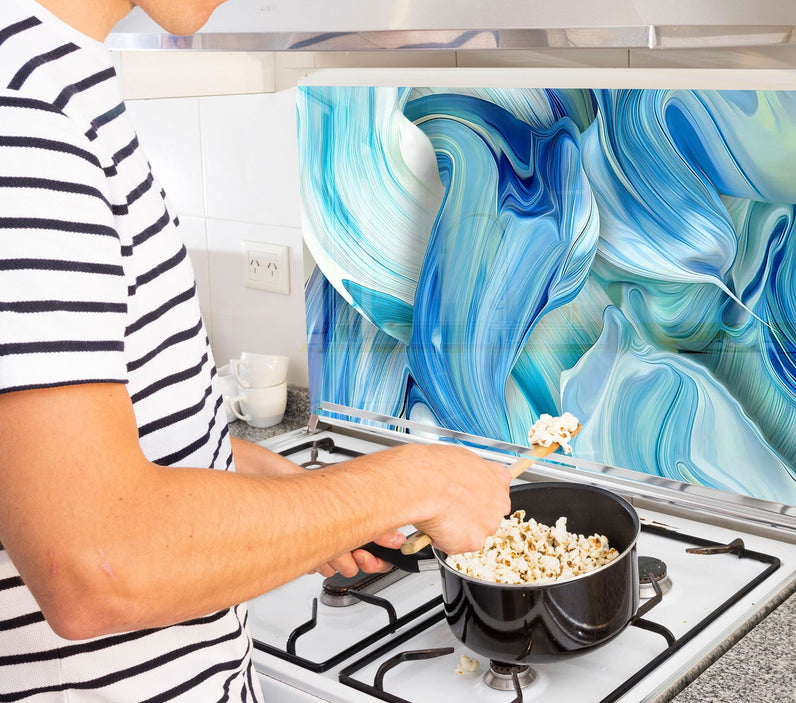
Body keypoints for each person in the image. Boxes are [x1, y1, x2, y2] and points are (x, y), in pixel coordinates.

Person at [0, 0, 513, 699]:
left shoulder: (54, 80)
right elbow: (97, 563)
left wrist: (289, 495)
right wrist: (416, 480)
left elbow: (69, 456)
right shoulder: (24, 117)